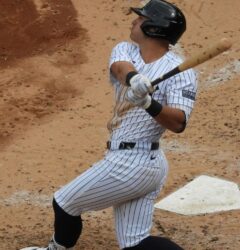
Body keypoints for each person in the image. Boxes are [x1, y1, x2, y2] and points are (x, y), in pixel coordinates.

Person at [21, 0, 197, 249]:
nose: (134, 20)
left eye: (141, 19)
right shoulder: (125, 49)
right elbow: (119, 68)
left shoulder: (182, 73)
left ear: (154, 28)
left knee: (65, 202)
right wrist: (135, 79)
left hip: (131, 164)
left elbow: (178, 122)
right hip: (139, 162)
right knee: (135, 244)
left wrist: (149, 103)